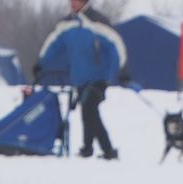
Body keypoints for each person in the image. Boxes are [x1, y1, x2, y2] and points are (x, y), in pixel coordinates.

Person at [35, 0, 129, 160]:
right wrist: (40, 63)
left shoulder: (97, 21)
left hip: (99, 77)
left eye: (75, 0)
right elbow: (53, 44)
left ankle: (105, 150)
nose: (71, 3)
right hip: (79, 77)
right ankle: (89, 148)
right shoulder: (66, 24)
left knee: (88, 108)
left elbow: (116, 45)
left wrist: (122, 70)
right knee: (89, 112)